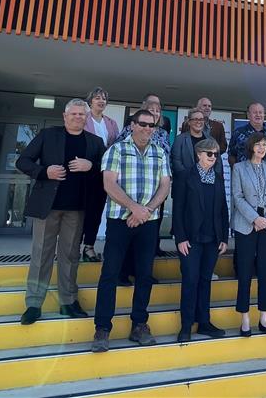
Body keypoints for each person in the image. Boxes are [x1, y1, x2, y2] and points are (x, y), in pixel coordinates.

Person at [16, 99, 105, 325]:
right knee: (41, 256)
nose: (77, 117)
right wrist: (44, 171)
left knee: (70, 257)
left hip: (76, 209)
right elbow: (23, 161)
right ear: (65, 116)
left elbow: (107, 168)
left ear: (86, 118)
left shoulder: (95, 142)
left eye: (81, 114)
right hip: (48, 208)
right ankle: (34, 304)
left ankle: (68, 301)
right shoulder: (48, 135)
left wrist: (91, 166)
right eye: (73, 114)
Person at [91, 109, 171, 352]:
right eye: (143, 124)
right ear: (133, 125)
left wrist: (144, 211)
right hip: (120, 222)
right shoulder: (117, 149)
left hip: (148, 222)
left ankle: (139, 324)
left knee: (144, 275)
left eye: (152, 125)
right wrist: (134, 208)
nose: (148, 128)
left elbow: (165, 186)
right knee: (110, 274)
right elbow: (108, 183)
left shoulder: (159, 152)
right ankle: (102, 328)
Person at [173, 138, 229, 343]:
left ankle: (204, 321)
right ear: (199, 154)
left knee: (205, 280)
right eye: (210, 154)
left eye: (216, 154)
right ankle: (186, 324)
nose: (213, 158)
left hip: (212, 239)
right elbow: (178, 209)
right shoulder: (185, 176)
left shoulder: (219, 178)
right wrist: (180, 238)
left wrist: (224, 237)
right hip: (190, 239)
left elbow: (223, 209)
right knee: (190, 280)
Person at [231, 132, 266, 336]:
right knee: (244, 271)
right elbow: (237, 196)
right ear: (251, 147)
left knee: (264, 271)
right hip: (247, 223)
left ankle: (264, 318)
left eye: (264, 145)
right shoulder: (239, 168)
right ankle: (244, 318)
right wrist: (255, 218)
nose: (262, 148)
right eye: (258, 145)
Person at [117, 94, 172, 282]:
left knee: (148, 237)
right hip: (131, 191)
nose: (155, 113)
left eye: (158, 111)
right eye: (151, 110)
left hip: (156, 190)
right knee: (129, 235)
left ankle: (143, 273)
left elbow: (167, 158)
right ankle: (123, 272)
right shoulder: (128, 130)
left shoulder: (163, 134)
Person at [81, 87, 120, 262]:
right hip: (83, 171)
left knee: (96, 210)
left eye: (104, 98)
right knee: (79, 210)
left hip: (103, 171)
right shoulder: (83, 119)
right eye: (97, 98)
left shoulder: (111, 123)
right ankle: (71, 246)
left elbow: (115, 145)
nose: (101, 101)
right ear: (90, 101)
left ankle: (89, 246)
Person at [172, 107, 222, 176]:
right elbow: (176, 162)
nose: (199, 122)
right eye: (195, 119)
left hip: (208, 182)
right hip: (185, 181)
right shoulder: (179, 140)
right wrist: (189, 178)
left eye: (201, 119)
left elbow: (218, 163)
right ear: (189, 122)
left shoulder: (211, 140)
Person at [227, 102, 266, 167]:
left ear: (264, 115)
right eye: (255, 112)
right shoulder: (238, 133)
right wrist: (237, 171)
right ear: (248, 115)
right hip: (245, 175)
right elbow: (231, 156)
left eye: (260, 112)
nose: (258, 115)